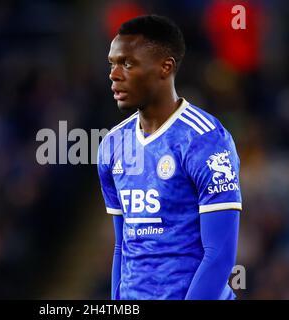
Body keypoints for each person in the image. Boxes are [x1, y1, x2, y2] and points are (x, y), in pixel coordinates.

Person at [97, 15, 242, 300]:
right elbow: (122, 247)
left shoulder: (206, 140)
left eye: (127, 63)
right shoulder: (112, 145)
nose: (114, 74)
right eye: (112, 64)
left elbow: (220, 256)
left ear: (166, 67)